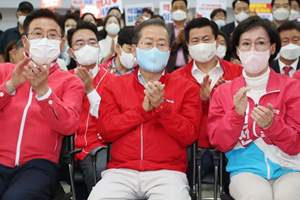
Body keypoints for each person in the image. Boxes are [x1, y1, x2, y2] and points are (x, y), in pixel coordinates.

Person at [88, 18, 201, 200]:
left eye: (161, 44)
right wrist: (141, 112)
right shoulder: (115, 86)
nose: (154, 50)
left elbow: (189, 136)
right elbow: (105, 131)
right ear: (134, 49)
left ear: (169, 50)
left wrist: (162, 108)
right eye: (148, 43)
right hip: (121, 172)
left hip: (167, 173)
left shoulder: (187, 87)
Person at [208, 16, 300, 200]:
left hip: (289, 168)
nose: (253, 50)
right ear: (237, 50)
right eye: (246, 44)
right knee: (258, 196)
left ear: (272, 48)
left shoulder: (292, 87)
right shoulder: (224, 92)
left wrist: (272, 125)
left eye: (260, 43)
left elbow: (296, 144)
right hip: (245, 171)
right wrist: (236, 115)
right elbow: (219, 142)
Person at [0, 9, 85, 200]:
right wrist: (10, 86)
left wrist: (44, 92)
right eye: (37, 33)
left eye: (52, 35)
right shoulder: (4, 71)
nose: (45, 39)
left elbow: (68, 124)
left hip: (39, 165)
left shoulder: (71, 82)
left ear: (62, 43)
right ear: (26, 40)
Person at [172, 17, 243, 178]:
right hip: (192, 149)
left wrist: (224, 100)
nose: (201, 45)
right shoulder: (176, 78)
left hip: (231, 149)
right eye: (195, 41)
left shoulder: (237, 73)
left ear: (217, 42)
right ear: (188, 46)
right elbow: (175, 118)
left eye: (206, 39)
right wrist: (203, 101)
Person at [67, 21, 116, 193]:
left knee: (101, 174)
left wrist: (90, 90)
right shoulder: (64, 79)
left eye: (92, 42)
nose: (87, 47)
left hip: (98, 144)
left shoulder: (113, 81)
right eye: (80, 43)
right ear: (71, 52)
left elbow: (110, 118)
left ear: (99, 48)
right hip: (64, 145)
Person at [166, 0, 189, 72]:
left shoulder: (191, 27)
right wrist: (177, 42)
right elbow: (165, 49)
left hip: (188, 68)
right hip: (171, 69)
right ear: (171, 11)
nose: (178, 10)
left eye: (182, 7)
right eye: (175, 8)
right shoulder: (166, 28)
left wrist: (184, 41)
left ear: (187, 11)